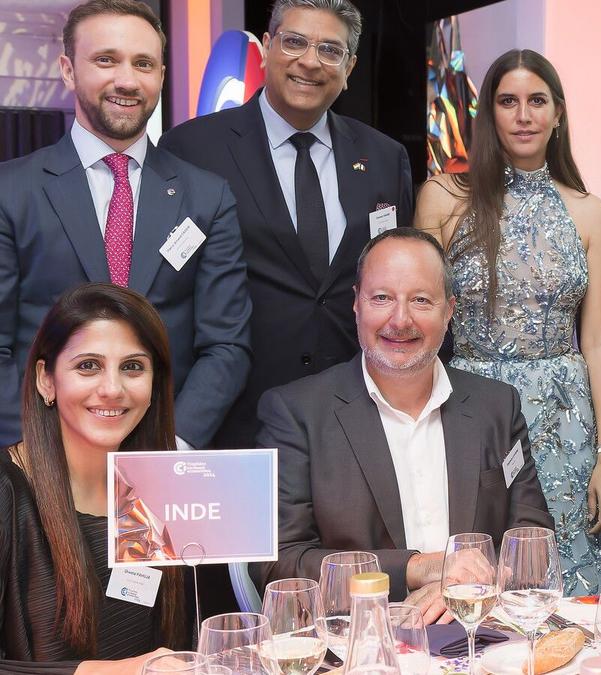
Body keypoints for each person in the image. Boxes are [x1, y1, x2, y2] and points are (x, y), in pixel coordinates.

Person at [414, 49, 601, 595]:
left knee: (589, 588)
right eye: (508, 101)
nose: (524, 115)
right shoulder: (444, 199)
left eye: (537, 101)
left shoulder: (590, 211)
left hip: (568, 419)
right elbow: (420, 319)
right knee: (479, 580)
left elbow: (599, 339)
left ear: (558, 113)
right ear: (489, 114)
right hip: (472, 408)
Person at [259, 228, 554, 622]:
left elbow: (532, 542)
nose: (400, 320)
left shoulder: (496, 406)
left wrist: (465, 588)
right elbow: (282, 564)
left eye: (421, 300)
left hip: (478, 630)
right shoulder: (297, 413)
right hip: (357, 639)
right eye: (382, 298)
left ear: (449, 311)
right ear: (356, 304)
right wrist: (419, 569)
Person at [159, 0, 413, 449]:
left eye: (330, 50)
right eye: (295, 42)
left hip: (358, 420)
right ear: (267, 47)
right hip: (235, 421)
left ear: (350, 68)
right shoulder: (192, 149)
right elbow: (170, 291)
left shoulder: (383, 158)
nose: (310, 62)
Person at [0, 0, 252, 451]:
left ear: (161, 75)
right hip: (39, 450)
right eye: (106, 60)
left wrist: (171, 447)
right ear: (68, 70)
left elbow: (226, 345)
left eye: (143, 64)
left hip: (161, 449)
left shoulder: (206, 197)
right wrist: (29, 454)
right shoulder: (11, 191)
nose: (127, 80)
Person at [1, 283, 188, 673]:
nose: (112, 389)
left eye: (132, 367)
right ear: (46, 379)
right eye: (88, 366)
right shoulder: (7, 493)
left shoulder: (161, 494)